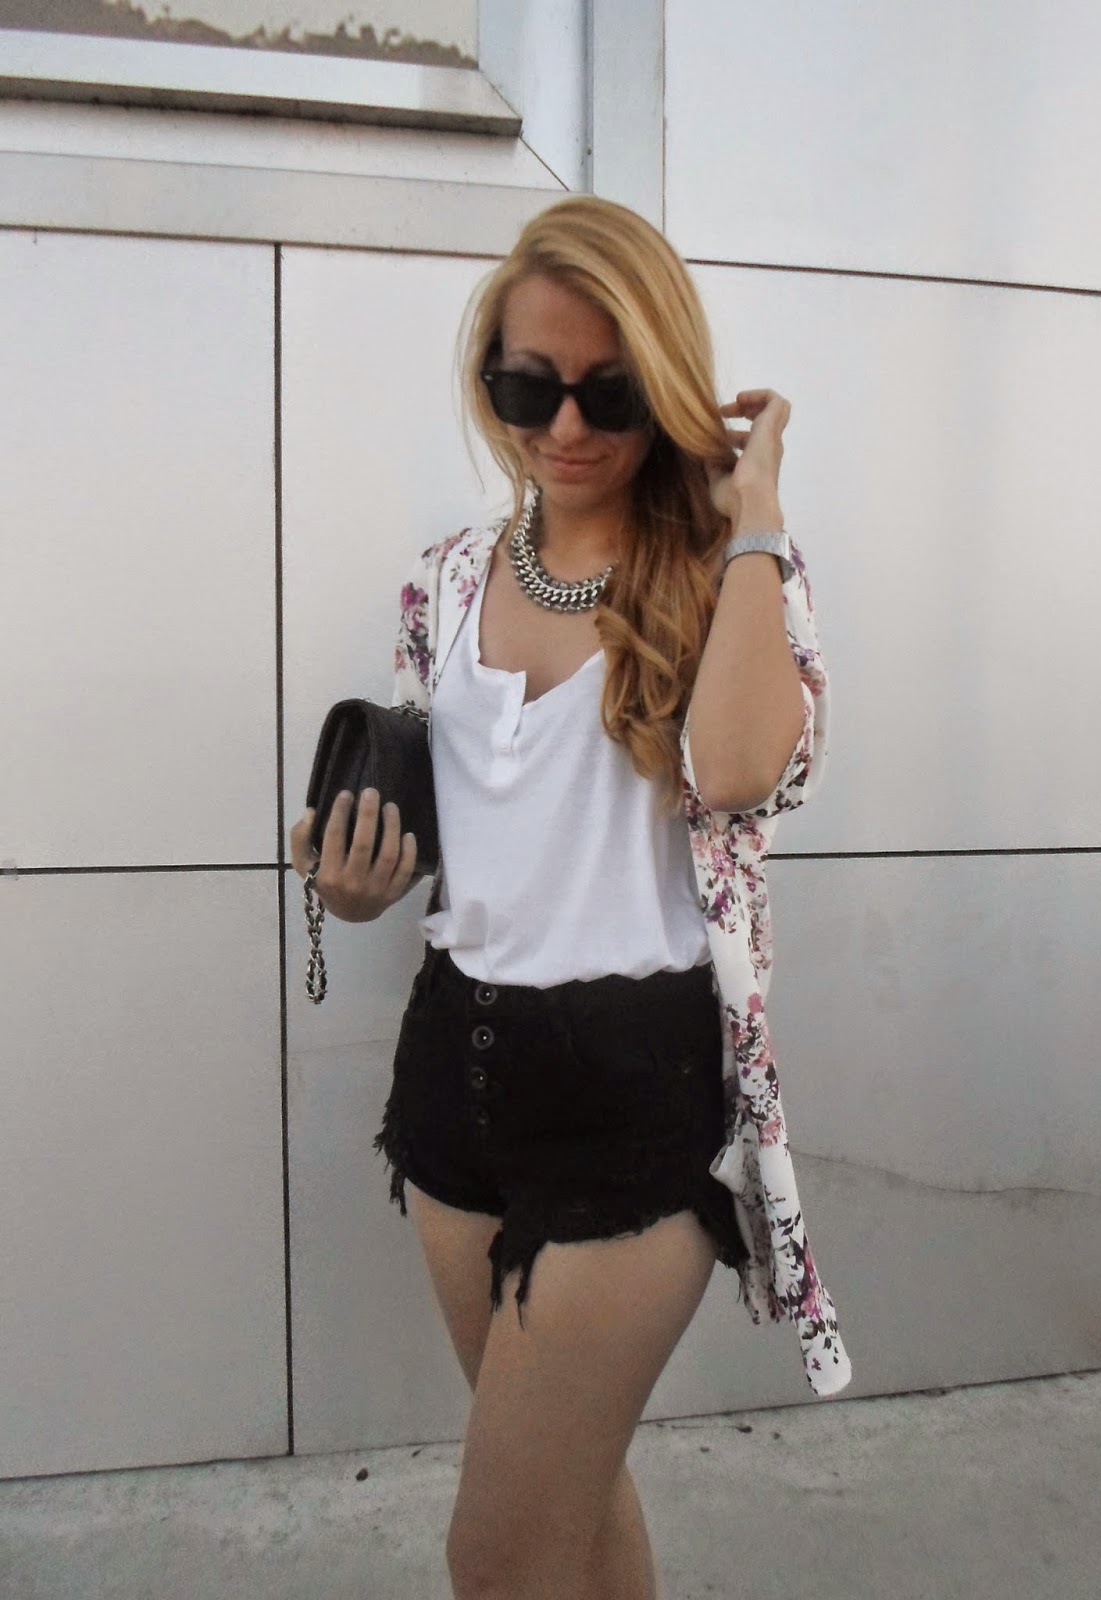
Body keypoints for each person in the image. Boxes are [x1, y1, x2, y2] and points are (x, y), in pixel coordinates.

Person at [290, 194, 850, 1600]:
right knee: (569, 1503)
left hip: (631, 1094)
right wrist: (351, 884)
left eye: (611, 390)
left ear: (665, 383)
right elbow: (452, 843)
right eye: (528, 387)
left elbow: (740, 769)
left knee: (495, 1555)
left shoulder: (729, 575)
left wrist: (754, 512)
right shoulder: (446, 581)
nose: (567, 426)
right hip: (454, 1073)